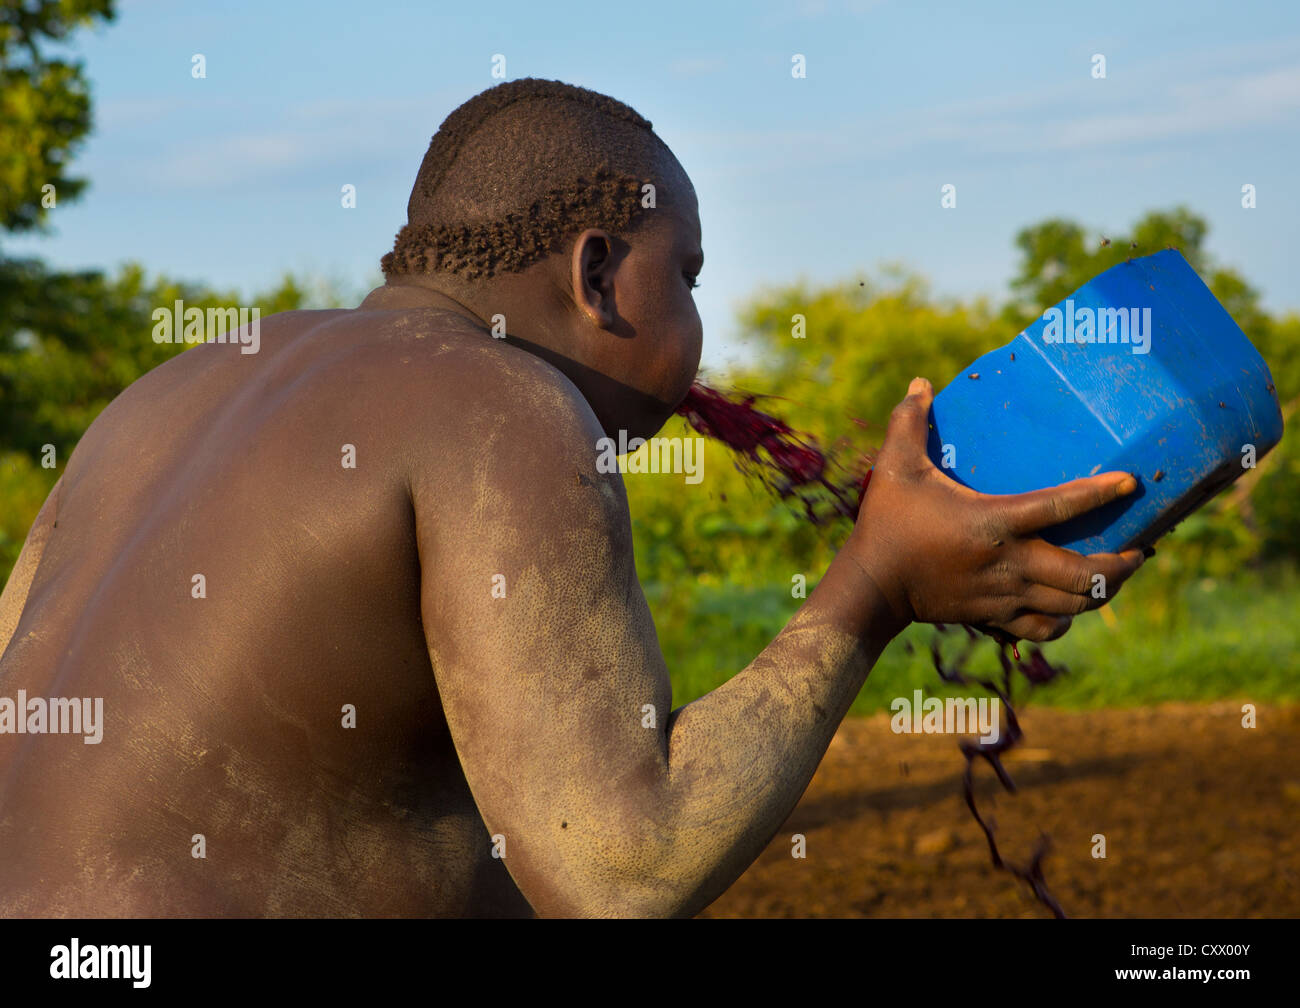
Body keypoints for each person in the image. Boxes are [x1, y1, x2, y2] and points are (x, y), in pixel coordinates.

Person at [0, 78, 1144, 917]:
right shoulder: (498, 403)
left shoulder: (158, 400)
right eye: (685, 277)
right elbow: (619, 872)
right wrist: (872, 588)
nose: (698, 337)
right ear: (598, 274)